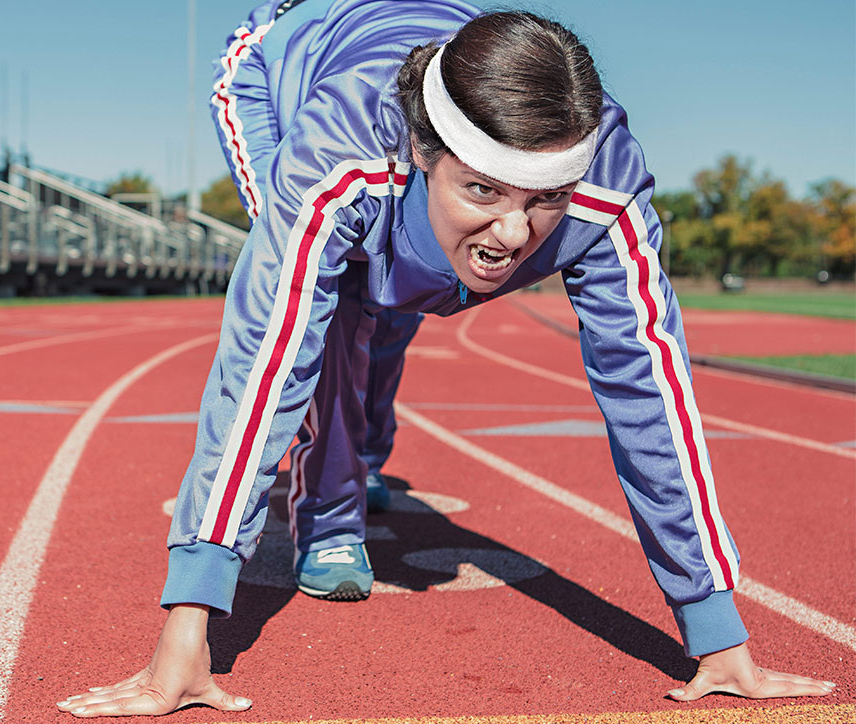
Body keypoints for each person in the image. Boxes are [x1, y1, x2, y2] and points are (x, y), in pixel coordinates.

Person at [58, 0, 836, 715]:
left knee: (400, 301)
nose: (513, 234)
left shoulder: (608, 188)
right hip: (277, 67)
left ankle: (363, 455)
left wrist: (716, 630)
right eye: (484, 191)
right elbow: (264, 365)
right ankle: (329, 515)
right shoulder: (338, 155)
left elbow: (652, 395)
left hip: (418, 94)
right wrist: (188, 627)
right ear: (426, 152)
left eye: (544, 198)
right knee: (334, 309)